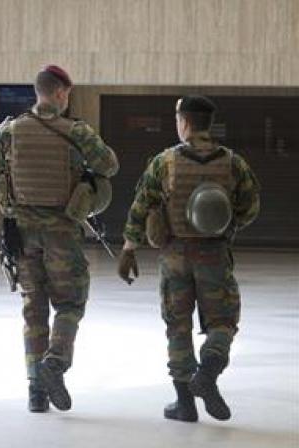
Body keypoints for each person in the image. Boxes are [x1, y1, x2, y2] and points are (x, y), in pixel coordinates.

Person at [0, 65, 119, 413]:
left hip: (22, 238)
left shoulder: (8, 132)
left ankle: (36, 393)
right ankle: (54, 364)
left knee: (33, 312)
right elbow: (110, 165)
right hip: (63, 236)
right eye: (67, 94)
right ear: (59, 93)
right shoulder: (76, 132)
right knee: (70, 305)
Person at [117, 95, 260, 422]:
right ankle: (207, 373)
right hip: (214, 253)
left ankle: (185, 404)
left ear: (183, 123)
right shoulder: (233, 163)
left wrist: (128, 248)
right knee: (223, 321)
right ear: (208, 124)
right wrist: (227, 223)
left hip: (175, 255)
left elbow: (140, 206)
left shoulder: (164, 162)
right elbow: (251, 207)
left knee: (177, 325)